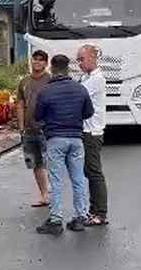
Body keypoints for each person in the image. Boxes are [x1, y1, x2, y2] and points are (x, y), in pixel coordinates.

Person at [30, 54, 93, 236]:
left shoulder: (46, 91)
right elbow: (88, 113)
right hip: (76, 139)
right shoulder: (80, 89)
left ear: (51, 68)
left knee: (56, 181)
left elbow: (37, 116)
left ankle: (56, 220)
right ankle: (81, 217)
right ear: (68, 68)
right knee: (78, 179)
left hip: (55, 139)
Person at [12, 49, 51, 208]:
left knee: (51, 163)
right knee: (35, 164)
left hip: (47, 130)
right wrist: (21, 127)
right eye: (35, 59)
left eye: (41, 59)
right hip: (29, 130)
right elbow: (20, 104)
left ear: (46, 63)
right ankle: (44, 195)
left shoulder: (50, 80)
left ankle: (55, 194)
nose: (37, 62)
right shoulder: (24, 82)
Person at [76, 44, 109, 226]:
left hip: (92, 132)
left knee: (94, 172)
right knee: (89, 171)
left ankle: (100, 213)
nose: (79, 63)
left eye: (82, 59)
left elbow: (78, 95)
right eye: (78, 60)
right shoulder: (86, 78)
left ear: (93, 58)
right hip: (86, 130)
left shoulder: (96, 79)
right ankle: (93, 210)